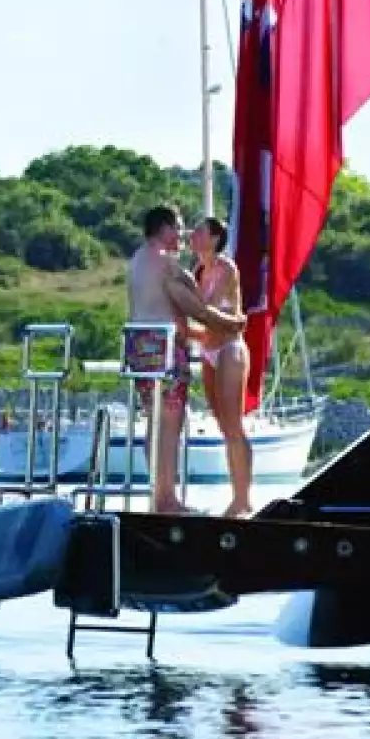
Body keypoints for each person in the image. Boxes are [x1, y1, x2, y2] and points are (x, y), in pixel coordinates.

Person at [126, 205, 247, 514]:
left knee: (154, 420)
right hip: (162, 346)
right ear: (164, 229)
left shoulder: (138, 259)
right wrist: (232, 324)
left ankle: (159, 495)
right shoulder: (167, 265)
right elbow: (197, 307)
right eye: (178, 228)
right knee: (171, 421)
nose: (181, 234)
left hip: (138, 344)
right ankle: (167, 499)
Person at [188, 216, 253, 518]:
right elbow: (202, 320)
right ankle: (237, 493)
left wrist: (183, 302)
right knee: (222, 424)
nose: (193, 234)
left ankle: (242, 498)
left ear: (214, 238)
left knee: (233, 424)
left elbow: (207, 308)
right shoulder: (199, 271)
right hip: (209, 348)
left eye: (200, 231)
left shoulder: (226, 268)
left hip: (229, 348)